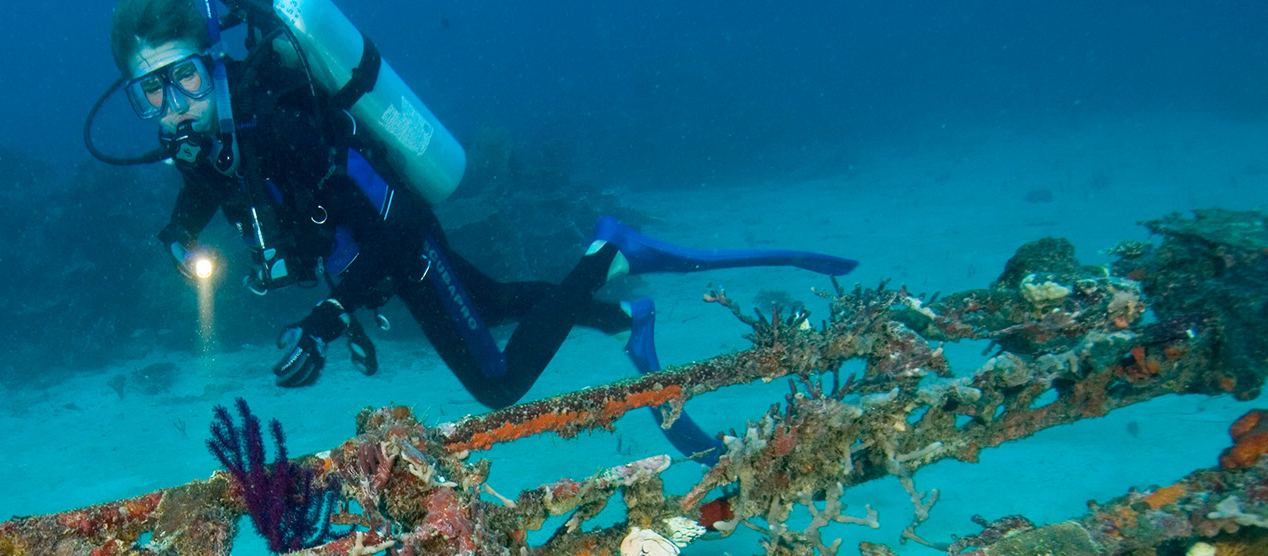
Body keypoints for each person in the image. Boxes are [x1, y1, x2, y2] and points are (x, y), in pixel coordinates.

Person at [92, 0, 855, 462]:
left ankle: (607, 253)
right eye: (151, 90)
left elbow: (386, 234)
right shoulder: (200, 136)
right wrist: (177, 231)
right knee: (489, 298)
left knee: (496, 383)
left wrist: (328, 318)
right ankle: (624, 312)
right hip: (365, 255)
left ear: (215, 63)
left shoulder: (281, 123)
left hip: (399, 240)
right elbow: (202, 182)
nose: (175, 104)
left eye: (186, 76)